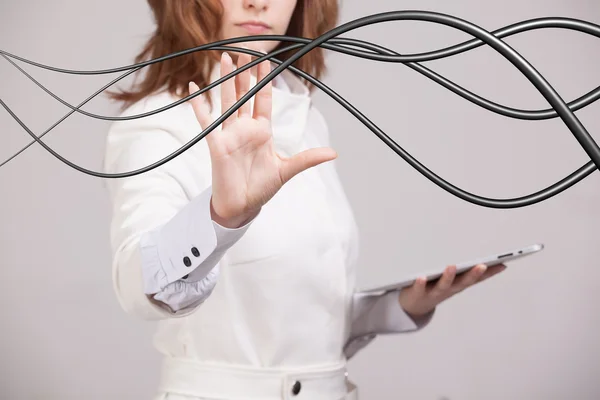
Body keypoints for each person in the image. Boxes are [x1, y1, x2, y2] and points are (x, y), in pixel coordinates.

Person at [103, 0, 506, 399]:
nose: (257, 2)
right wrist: (219, 218)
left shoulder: (302, 114)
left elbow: (294, 317)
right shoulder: (156, 125)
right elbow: (138, 283)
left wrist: (401, 305)